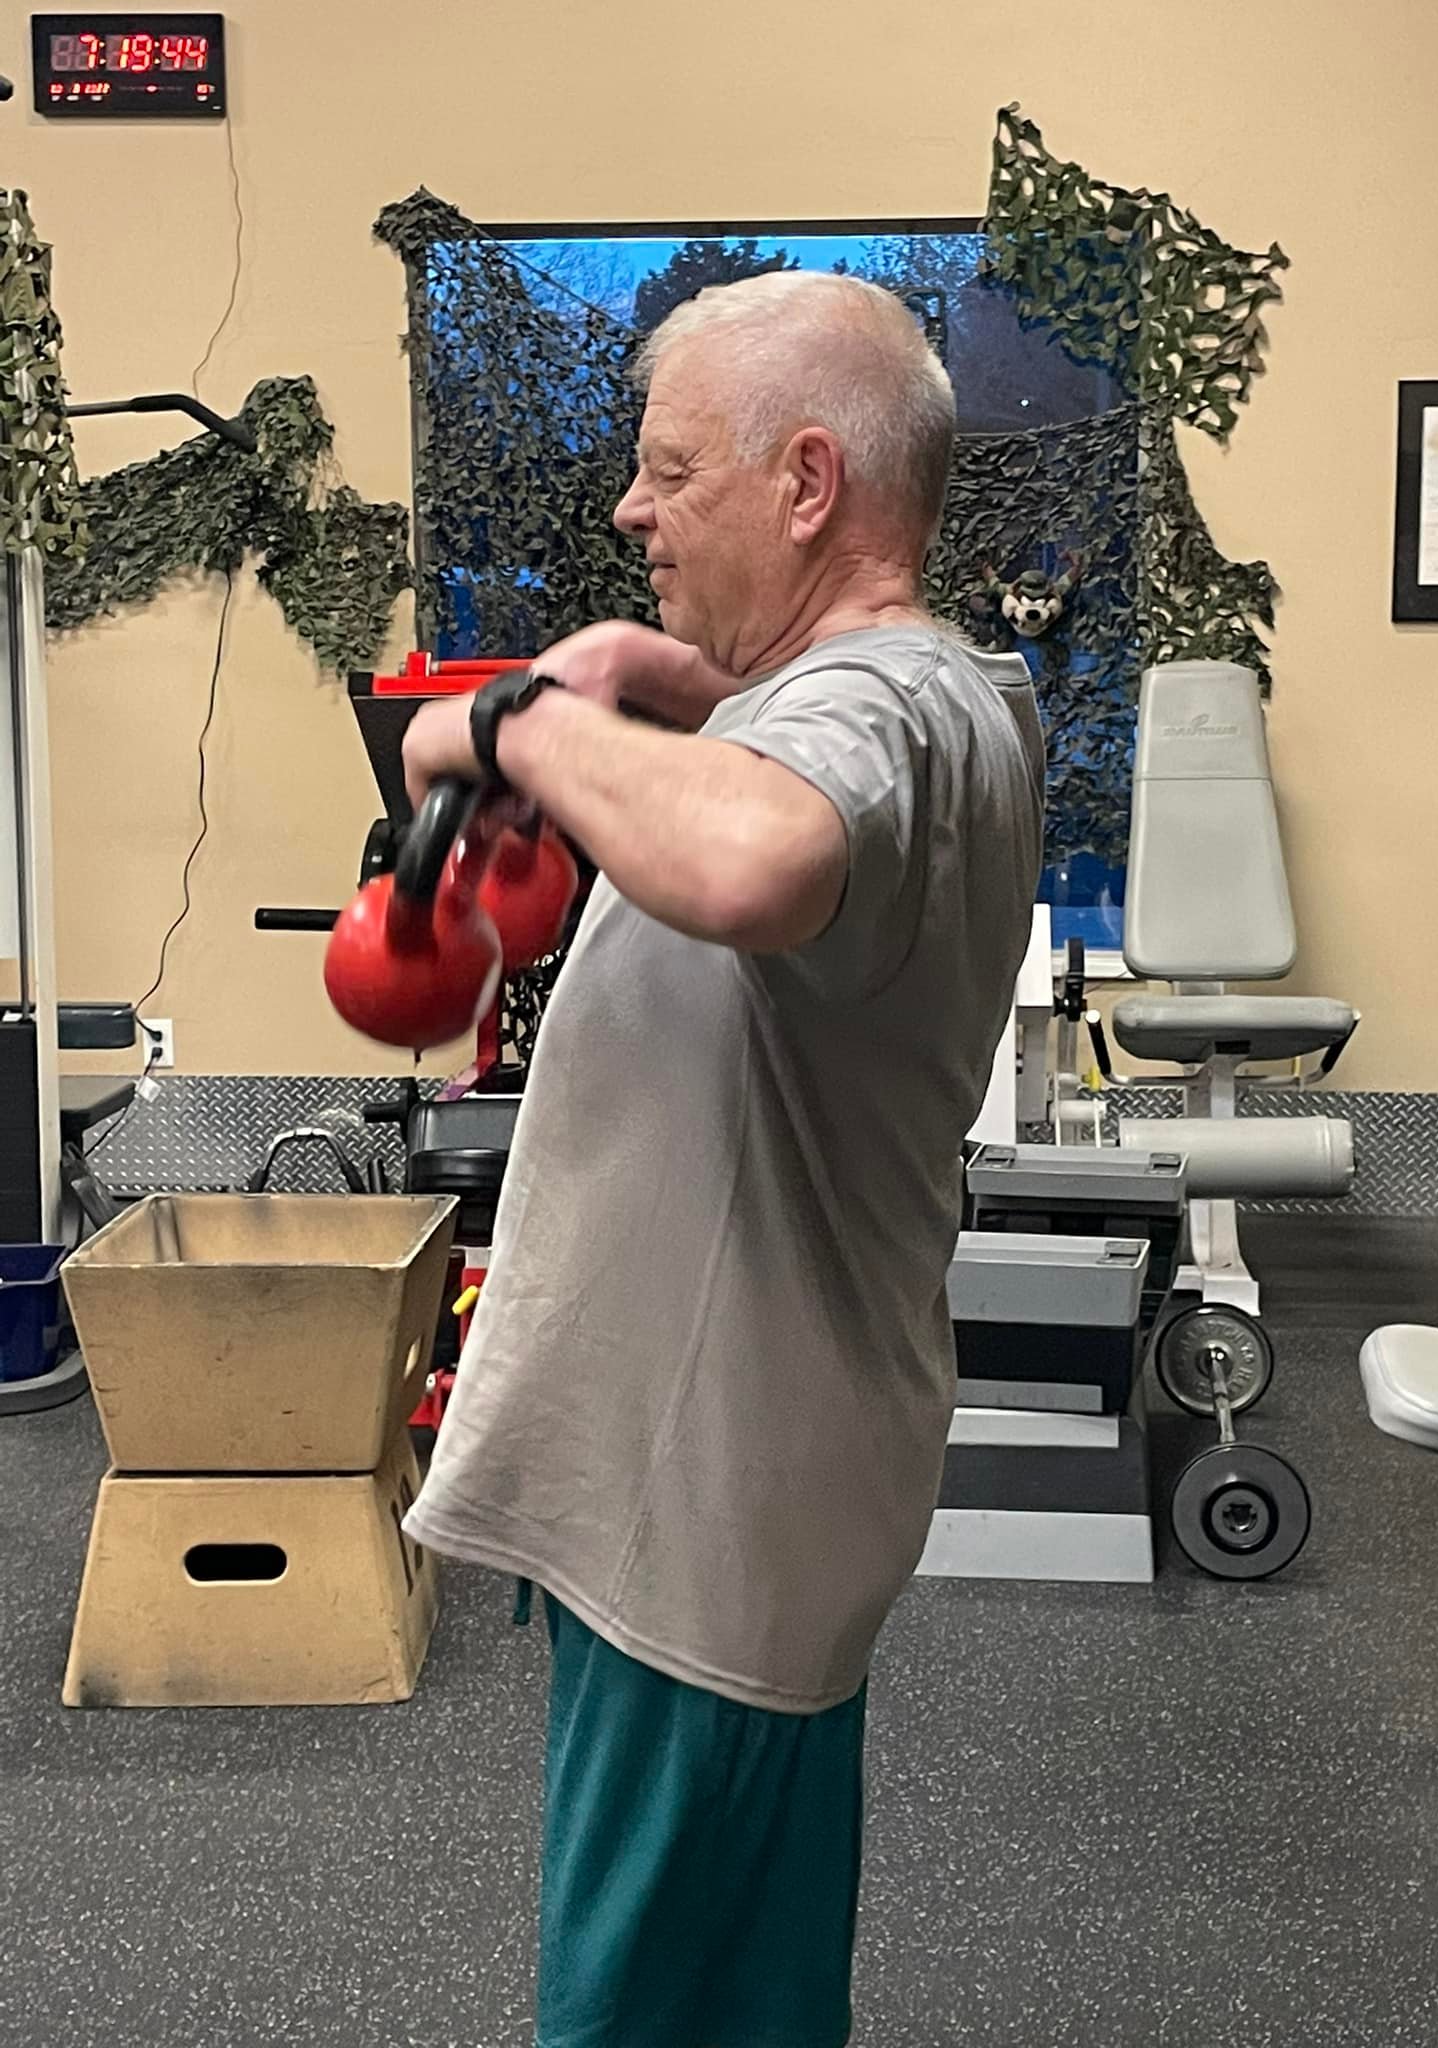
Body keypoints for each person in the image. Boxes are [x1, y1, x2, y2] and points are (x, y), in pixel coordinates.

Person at [399, 269, 1045, 2048]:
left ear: (810, 481)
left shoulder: (882, 717)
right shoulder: (941, 690)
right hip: (744, 1485)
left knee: (650, 2014)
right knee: (740, 2000)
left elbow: (765, 853)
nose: (630, 508)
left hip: (710, 1502)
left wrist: (517, 721)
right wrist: (662, 681)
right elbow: (810, 731)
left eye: (670, 471)